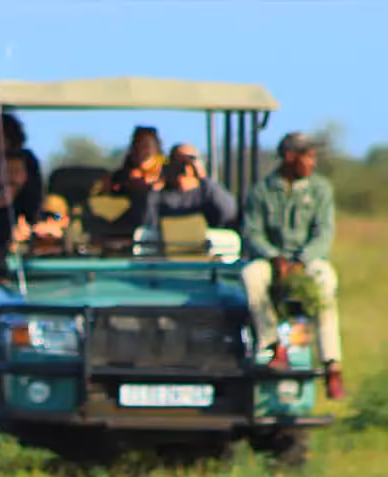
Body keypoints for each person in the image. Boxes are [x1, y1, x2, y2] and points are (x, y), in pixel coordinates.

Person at [240, 132, 344, 399]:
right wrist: (274, 257)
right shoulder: (262, 190)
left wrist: (302, 259)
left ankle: (331, 363)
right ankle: (273, 344)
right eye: (308, 156)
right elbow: (252, 232)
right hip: (272, 259)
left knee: (325, 282)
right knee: (251, 275)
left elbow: (324, 233)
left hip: (308, 260)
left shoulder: (320, 189)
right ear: (290, 157)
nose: (313, 162)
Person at [145, 143, 237, 228]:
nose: (183, 168)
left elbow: (228, 213)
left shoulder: (207, 194)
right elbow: (147, 222)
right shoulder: (159, 197)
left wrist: (203, 177)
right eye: (177, 162)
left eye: (189, 161)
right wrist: (157, 185)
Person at [96, 126, 165, 198]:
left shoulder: (169, 179)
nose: (144, 152)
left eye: (148, 146)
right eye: (139, 146)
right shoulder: (118, 178)